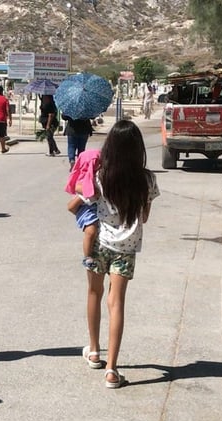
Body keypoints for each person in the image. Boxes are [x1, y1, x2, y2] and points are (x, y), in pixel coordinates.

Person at [80, 120, 160, 389]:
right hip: (126, 249)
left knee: (94, 293)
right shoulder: (147, 179)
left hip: (99, 243)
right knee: (117, 304)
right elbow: (145, 217)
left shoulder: (101, 176)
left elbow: (84, 197)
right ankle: (112, 369)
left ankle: (93, 351)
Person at [65, 149, 100, 270]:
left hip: (97, 206)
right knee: (91, 230)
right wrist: (91, 191)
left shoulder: (102, 174)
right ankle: (87, 256)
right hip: (87, 207)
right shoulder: (82, 177)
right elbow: (78, 189)